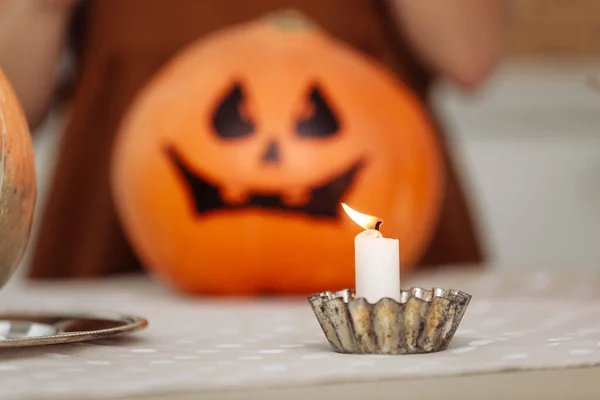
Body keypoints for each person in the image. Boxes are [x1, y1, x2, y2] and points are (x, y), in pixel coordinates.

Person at [0, 0, 508, 279]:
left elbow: (470, 55)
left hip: (372, 254)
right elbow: (11, 108)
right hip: (115, 240)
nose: (266, 155)